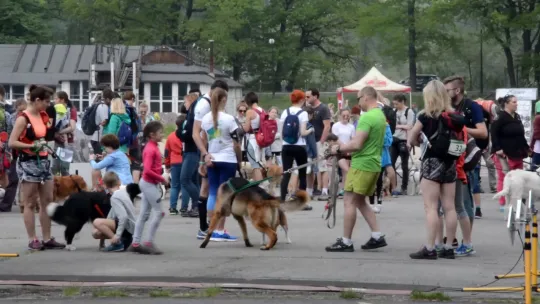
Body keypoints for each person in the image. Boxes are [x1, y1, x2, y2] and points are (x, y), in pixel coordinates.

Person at [325, 86, 387, 253]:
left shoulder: (367, 118)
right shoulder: (380, 116)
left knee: (349, 201)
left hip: (362, 165)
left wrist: (338, 149)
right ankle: (376, 235)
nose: (358, 102)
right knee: (360, 201)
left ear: (366, 97)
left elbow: (357, 143)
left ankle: (346, 241)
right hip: (373, 163)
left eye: (359, 98)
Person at [407, 80, 459, 260]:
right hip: (450, 162)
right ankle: (448, 247)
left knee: (431, 207)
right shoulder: (453, 115)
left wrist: (415, 142)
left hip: (432, 162)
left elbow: (412, 137)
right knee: (450, 207)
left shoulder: (425, 116)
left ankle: (430, 247)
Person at [9, 85, 65, 250]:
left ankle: (47, 238)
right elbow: (12, 142)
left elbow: (46, 134)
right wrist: (32, 146)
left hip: (43, 161)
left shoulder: (43, 116)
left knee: (47, 200)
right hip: (28, 162)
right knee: (30, 202)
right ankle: (32, 238)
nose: (49, 105)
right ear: (37, 100)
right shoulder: (23, 119)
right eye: (47, 101)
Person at [201, 87, 241, 242]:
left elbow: (204, 139)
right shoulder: (230, 119)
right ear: (224, 99)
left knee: (212, 193)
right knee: (225, 195)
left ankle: (211, 227)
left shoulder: (205, 119)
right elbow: (236, 143)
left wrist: (204, 157)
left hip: (212, 159)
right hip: (228, 159)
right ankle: (220, 229)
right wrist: (239, 160)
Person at [192, 80, 230, 240]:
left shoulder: (208, 105)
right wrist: (204, 155)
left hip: (210, 152)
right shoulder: (204, 106)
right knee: (209, 189)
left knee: (210, 189)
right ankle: (207, 227)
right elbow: (198, 134)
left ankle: (208, 226)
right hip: (208, 152)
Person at [129, 121, 168, 255]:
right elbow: (146, 170)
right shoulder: (151, 149)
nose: (162, 135)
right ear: (152, 135)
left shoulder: (153, 147)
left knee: (144, 214)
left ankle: (136, 242)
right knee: (159, 213)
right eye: (160, 133)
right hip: (149, 183)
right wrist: (162, 179)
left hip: (149, 183)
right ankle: (148, 242)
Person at [491, 95, 529, 209]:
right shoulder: (500, 117)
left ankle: (518, 202)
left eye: (516, 102)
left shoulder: (517, 117)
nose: (516, 104)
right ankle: (503, 202)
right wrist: (498, 149)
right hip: (504, 154)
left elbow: (521, 134)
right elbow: (494, 134)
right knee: (505, 177)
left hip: (518, 152)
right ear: (507, 104)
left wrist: (527, 148)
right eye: (514, 102)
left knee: (518, 178)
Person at [92, 171, 136, 252]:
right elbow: (111, 216)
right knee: (96, 232)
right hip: (129, 228)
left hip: (128, 228)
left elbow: (124, 217)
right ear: (119, 181)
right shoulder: (121, 193)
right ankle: (121, 241)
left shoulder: (115, 197)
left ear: (105, 185)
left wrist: (117, 236)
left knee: (96, 222)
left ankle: (118, 243)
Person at [280, 90, 312, 202]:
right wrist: (310, 130)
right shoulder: (303, 113)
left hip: (286, 146)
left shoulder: (285, 112)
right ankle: (302, 201)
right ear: (302, 100)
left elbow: (281, 132)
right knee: (302, 174)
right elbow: (303, 133)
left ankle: (282, 201)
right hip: (299, 146)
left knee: (286, 173)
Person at [0, 98, 26, 212]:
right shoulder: (12, 116)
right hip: (14, 151)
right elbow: (10, 133)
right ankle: (7, 204)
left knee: (14, 179)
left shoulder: (11, 115)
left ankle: (9, 204)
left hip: (18, 151)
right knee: (12, 179)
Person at [306, 88, 332, 200]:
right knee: (309, 168)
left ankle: (325, 191)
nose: (306, 99)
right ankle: (309, 191)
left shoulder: (323, 108)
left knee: (322, 167)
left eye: (308, 97)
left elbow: (327, 126)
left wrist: (322, 141)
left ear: (315, 96)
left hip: (319, 141)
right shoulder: (306, 108)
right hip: (308, 141)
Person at [165, 115, 188, 216]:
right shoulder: (188, 135)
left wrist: (167, 164)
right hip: (186, 161)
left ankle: (173, 208)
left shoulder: (171, 136)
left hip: (174, 162)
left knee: (174, 186)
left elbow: (166, 152)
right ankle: (184, 208)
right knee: (185, 185)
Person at [391, 94, 414, 195]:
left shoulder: (408, 111)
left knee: (404, 164)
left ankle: (404, 186)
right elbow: (392, 125)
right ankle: (393, 186)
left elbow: (409, 127)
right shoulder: (394, 111)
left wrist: (409, 142)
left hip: (404, 139)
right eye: (394, 104)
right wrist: (400, 127)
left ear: (402, 102)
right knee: (391, 163)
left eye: (397, 104)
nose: (395, 106)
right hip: (394, 139)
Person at [91, 88, 114, 189]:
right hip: (98, 138)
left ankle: (98, 186)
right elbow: (104, 121)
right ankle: (97, 187)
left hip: (96, 137)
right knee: (98, 164)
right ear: (108, 99)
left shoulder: (98, 105)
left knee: (98, 163)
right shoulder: (103, 106)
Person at [52, 91, 77, 176]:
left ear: (62, 100)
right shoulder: (54, 109)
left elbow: (72, 127)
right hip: (56, 141)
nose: (54, 100)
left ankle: (66, 187)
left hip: (66, 142)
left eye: (56, 98)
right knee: (55, 167)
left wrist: (59, 132)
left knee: (64, 168)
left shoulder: (71, 110)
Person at [242, 92, 265, 182]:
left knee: (255, 166)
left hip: (252, 139)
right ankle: (258, 185)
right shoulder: (262, 110)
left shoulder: (250, 112)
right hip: (260, 139)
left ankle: (260, 186)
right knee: (258, 162)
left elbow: (247, 128)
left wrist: (242, 126)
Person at [331, 109, 355, 195]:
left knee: (346, 171)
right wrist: (343, 147)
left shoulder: (351, 127)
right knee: (346, 169)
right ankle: (337, 188)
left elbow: (352, 139)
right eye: (343, 115)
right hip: (339, 150)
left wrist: (349, 148)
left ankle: (344, 188)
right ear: (340, 116)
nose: (345, 117)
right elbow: (335, 139)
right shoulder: (336, 126)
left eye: (347, 115)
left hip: (348, 151)